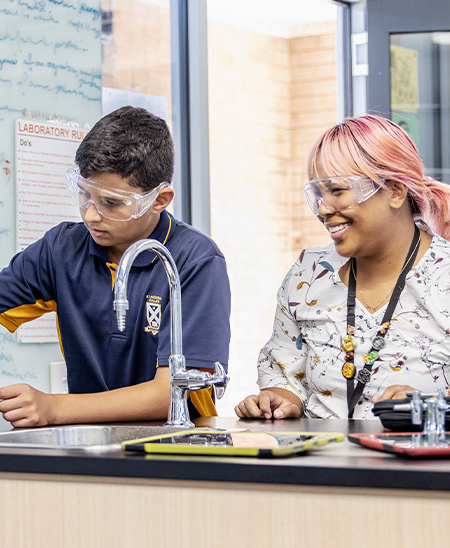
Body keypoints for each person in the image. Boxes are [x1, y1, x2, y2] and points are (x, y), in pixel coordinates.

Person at [0, 106, 230, 427]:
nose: (91, 215)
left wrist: (53, 408)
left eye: (110, 202)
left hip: (172, 444)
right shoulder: (61, 249)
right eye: (84, 195)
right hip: (91, 442)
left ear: (159, 199)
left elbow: (171, 393)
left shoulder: (195, 260)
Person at [235, 114, 450, 421]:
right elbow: (285, 374)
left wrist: (430, 404)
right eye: (318, 194)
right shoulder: (308, 273)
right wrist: (279, 400)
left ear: (395, 191)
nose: (323, 209)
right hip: (320, 466)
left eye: (337, 191)